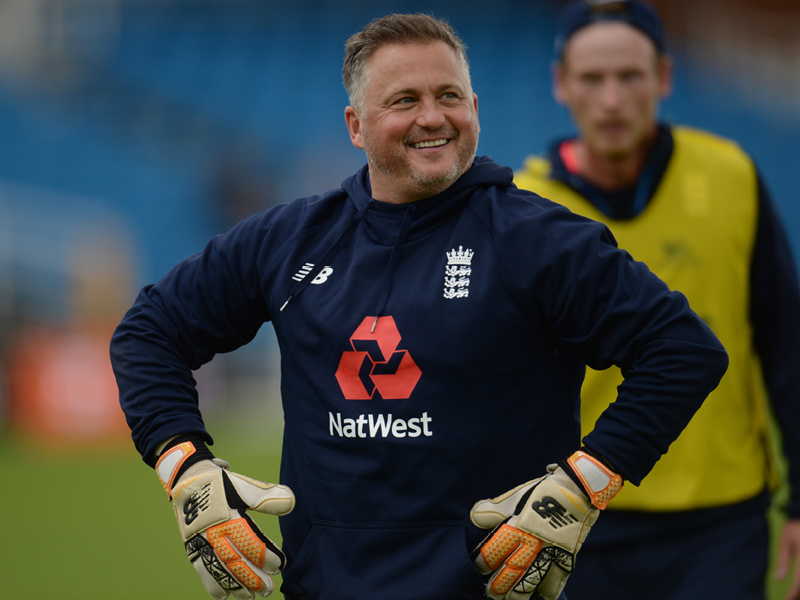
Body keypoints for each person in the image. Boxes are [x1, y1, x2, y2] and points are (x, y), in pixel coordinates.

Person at [110, 13, 728, 600]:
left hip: (497, 587)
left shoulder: (539, 241)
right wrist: (184, 467)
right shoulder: (289, 239)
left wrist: (585, 483)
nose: (433, 117)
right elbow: (149, 331)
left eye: (450, 96)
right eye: (404, 100)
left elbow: (682, 350)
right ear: (355, 125)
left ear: (476, 110)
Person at [513, 1, 800, 599]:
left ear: (665, 78)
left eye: (631, 77)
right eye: (592, 79)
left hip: (721, 518)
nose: (612, 99)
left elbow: (786, 347)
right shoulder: (525, 207)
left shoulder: (731, 176)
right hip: (577, 514)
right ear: (561, 84)